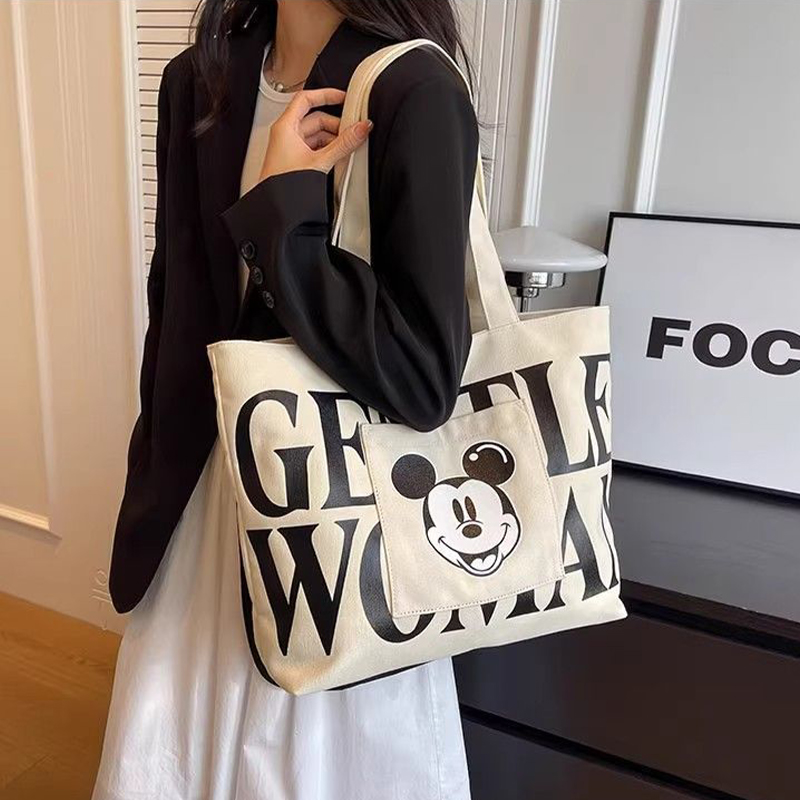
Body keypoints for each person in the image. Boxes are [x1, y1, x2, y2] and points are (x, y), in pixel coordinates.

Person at [93, 1, 479, 797]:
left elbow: (423, 376)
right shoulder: (199, 78)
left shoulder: (412, 87)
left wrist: (282, 208)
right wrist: (151, 459)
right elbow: (176, 297)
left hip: (340, 520)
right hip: (203, 496)